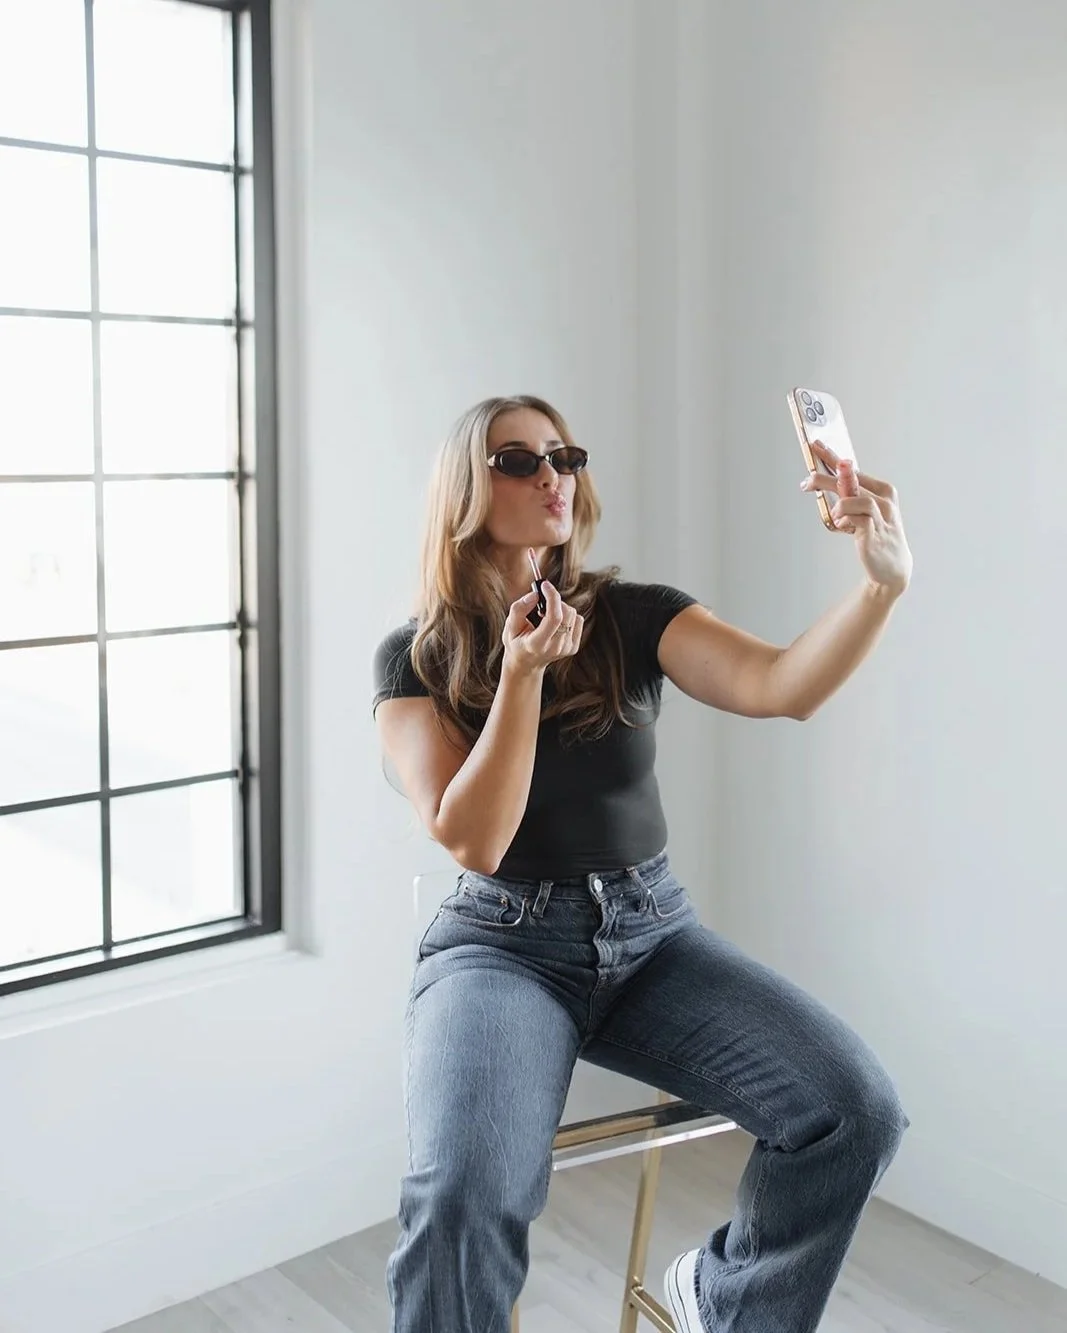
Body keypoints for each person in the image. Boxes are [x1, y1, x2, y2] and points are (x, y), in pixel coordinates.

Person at [373, 394, 913, 1333]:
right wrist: (521, 676)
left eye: (564, 455)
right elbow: (474, 839)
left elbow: (782, 686)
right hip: (501, 948)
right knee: (459, 1195)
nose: (552, 474)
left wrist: (878, 586)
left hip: (651, 933)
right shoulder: (416, 658)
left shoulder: (630, 616)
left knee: (854, 1110)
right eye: (517, 459)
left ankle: (722, 1296)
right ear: (466, 490)